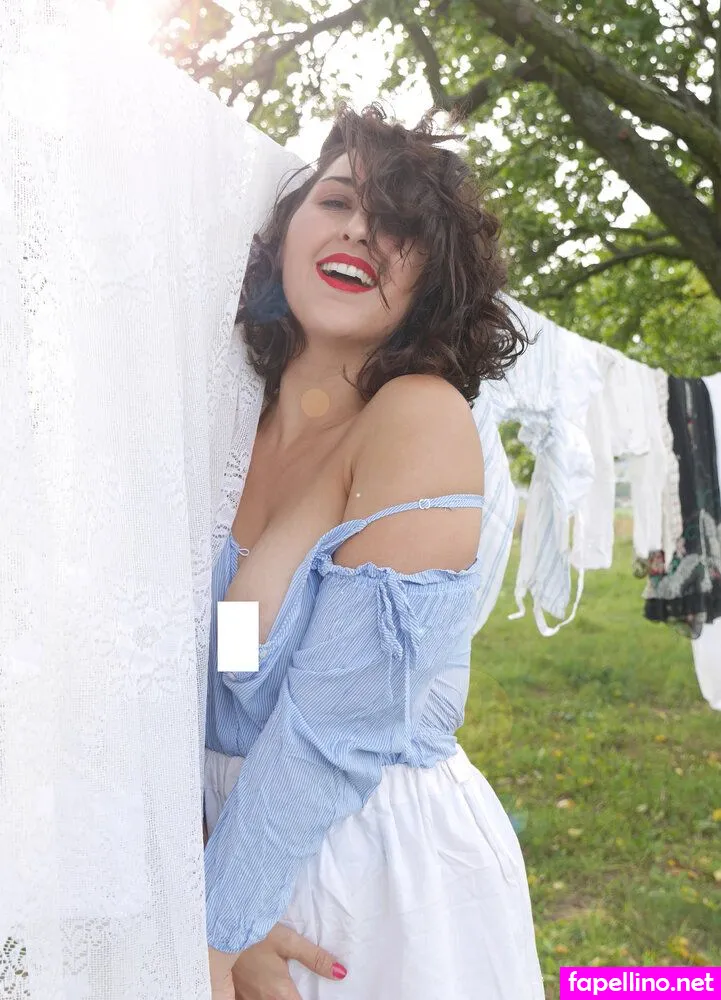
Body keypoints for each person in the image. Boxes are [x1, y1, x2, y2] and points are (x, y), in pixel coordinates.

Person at [203, 104, 544, 1000]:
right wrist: (208, 886)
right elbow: (202, 693)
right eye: (336, 201)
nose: (360, 229)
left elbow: (333, 730)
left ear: (432, 282)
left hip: (370, 879)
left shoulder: (416, 418)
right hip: (219, 862)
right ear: (284, 235)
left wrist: (213, 938)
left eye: (399, 224)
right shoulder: (228, 425)